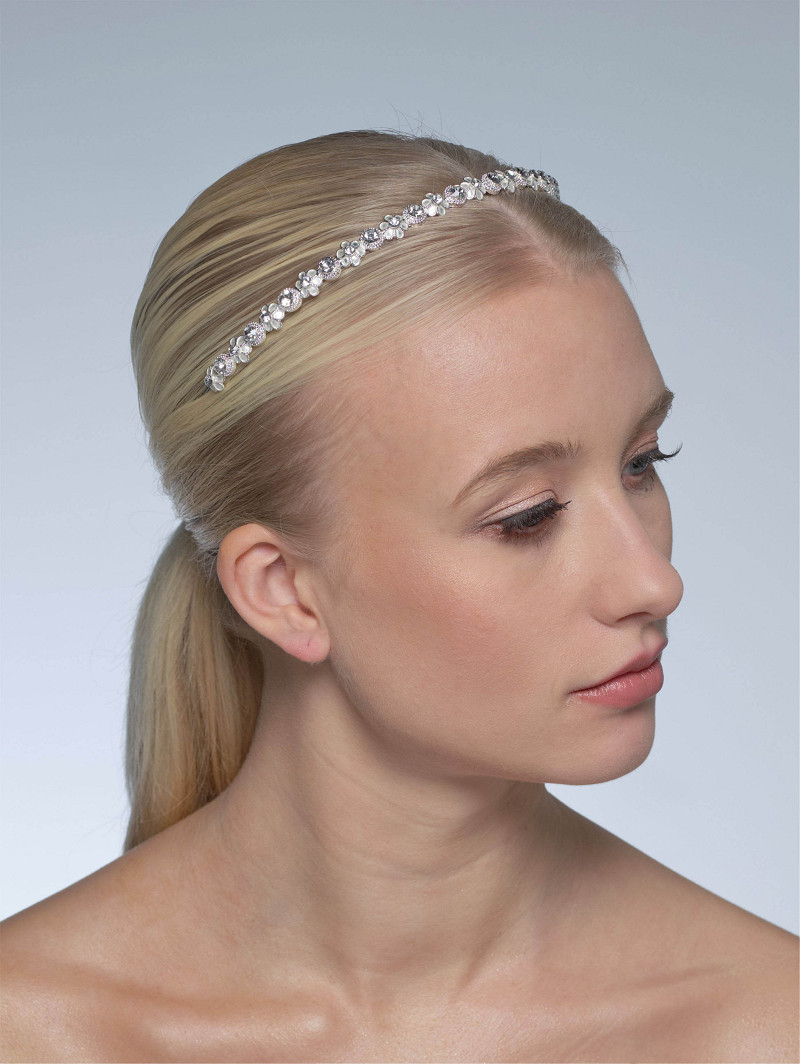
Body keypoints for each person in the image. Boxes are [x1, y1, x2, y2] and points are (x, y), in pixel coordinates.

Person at [2, 130, 797, 1064]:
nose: (654, 582)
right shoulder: (32, 1029)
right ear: (284, 590)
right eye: (527, 516)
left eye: (642, 463)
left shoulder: (762, 1025)